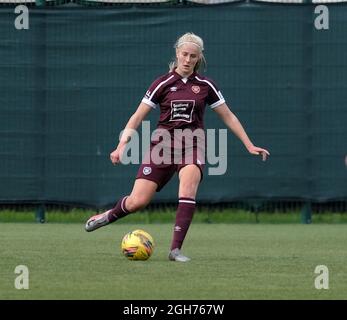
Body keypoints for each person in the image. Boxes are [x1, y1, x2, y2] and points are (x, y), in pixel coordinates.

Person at [85, 32, 270, 262]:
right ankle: (107, 216)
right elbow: (137, 116)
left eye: (193, 56)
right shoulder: (162, 83)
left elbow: (228, 116)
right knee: (137, 201)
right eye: (184, 54)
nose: (188, 59)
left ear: (199, 57)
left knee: (188, 186)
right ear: (177, 53)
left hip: (193, 145)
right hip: (162, 147)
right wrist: (121, 145)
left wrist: (249, 144)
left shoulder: (206, 85)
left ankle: (175, 250)